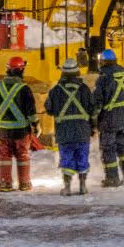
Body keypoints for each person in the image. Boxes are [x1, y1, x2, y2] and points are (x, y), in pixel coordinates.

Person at [45, 57, 95, 196]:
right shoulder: (84, 89)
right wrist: (93, 127)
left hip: (64, 132)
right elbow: (92, 108)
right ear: (77, 72)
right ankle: (83, 187)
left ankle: (67, 188)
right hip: (82, 131)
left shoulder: (55, 90)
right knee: (82, 158)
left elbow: (49, 109)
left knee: (66, 158)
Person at [0, 57, 37, 192]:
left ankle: (5, 184)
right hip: (21, 131)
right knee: (23, 155)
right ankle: (25, 183)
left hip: (3, 130)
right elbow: (31, 111)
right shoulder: (24, 88)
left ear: (8, 69)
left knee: (4, 156)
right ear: (21, 70)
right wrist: (36, 125)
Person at [93, 48, 124, 187]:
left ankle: (112, 178)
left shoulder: (103, 78)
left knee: (108, 148)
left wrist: (93, 119)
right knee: (123, 145)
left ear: (103, 61)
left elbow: (98, 102)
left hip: (109, 120)